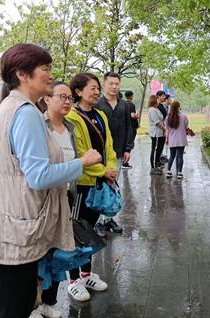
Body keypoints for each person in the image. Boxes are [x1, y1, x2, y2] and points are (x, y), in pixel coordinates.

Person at [0, 44, 102, 318]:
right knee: (13, 307)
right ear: (22, 74)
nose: (50, 74)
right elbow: (38, 176)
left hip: (11, 221)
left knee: (11, 305)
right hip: (17, 228)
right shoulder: (26, 112)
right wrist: (82, 163)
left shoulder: (11, 106)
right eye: (45, 68)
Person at [65, 73, 117, 302]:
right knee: (76, 232)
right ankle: (73, 280)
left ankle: (86, 275)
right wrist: (102, 171)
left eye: (97, 88)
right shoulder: (72, 117)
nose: (97, 92)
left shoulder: (100, 115)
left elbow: (109, 146)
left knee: (90, 230)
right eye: (92, 88)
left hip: (99, 181)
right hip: (82, 184)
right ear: (78, 92)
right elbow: (79, 152)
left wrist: (110, 168)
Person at [36, 81, 85, 316]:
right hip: (43, 200)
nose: (67, 102)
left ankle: (50, 302)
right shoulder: (39, 126)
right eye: (62, 97)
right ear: (47, 98)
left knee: (58, 250)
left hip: (66, 196)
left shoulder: (70, 128)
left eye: (69, 98)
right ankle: (34, 303)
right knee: (40, 253)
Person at [95, 72, 133, 234]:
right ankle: (97, 221)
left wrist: (128, 148)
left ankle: (108, 219)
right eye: (111, 83)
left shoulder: (125, 105)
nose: (114, 87)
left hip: (117, 152)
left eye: (117, 84)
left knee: (112, 185)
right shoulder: (97, 104)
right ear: (104, 84)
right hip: (98, 154)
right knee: (98, 187)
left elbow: (129, 127)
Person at [164, 101, 189, 179]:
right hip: (181, 139)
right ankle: (179, 173)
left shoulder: (168, 118)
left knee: (172, 156)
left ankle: (168, 171)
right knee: (180, 156)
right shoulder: (184, 117)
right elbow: (186, 126)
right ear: (178, 107)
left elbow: (167, 129)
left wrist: (167, 139)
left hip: (172, 139)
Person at [147, 94, 165, 175]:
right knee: (154, 149)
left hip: (159, 132)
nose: (159, 100)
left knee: (158, 149)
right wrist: (165, 129)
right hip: (155, 133)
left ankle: (157, 163)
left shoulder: (156, 109)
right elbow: (157, 122)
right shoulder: (152, 110)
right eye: (157, 99)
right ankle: (153, 167)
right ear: (154, 100)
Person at [124, 90, 139, 163]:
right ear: (131, 96)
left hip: (126, 126)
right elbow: (132, 115)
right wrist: (137, 116)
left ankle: (124, 161)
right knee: (130, 143)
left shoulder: (123, 104)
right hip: (132, 126)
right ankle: (125, 162)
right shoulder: (131, 104)